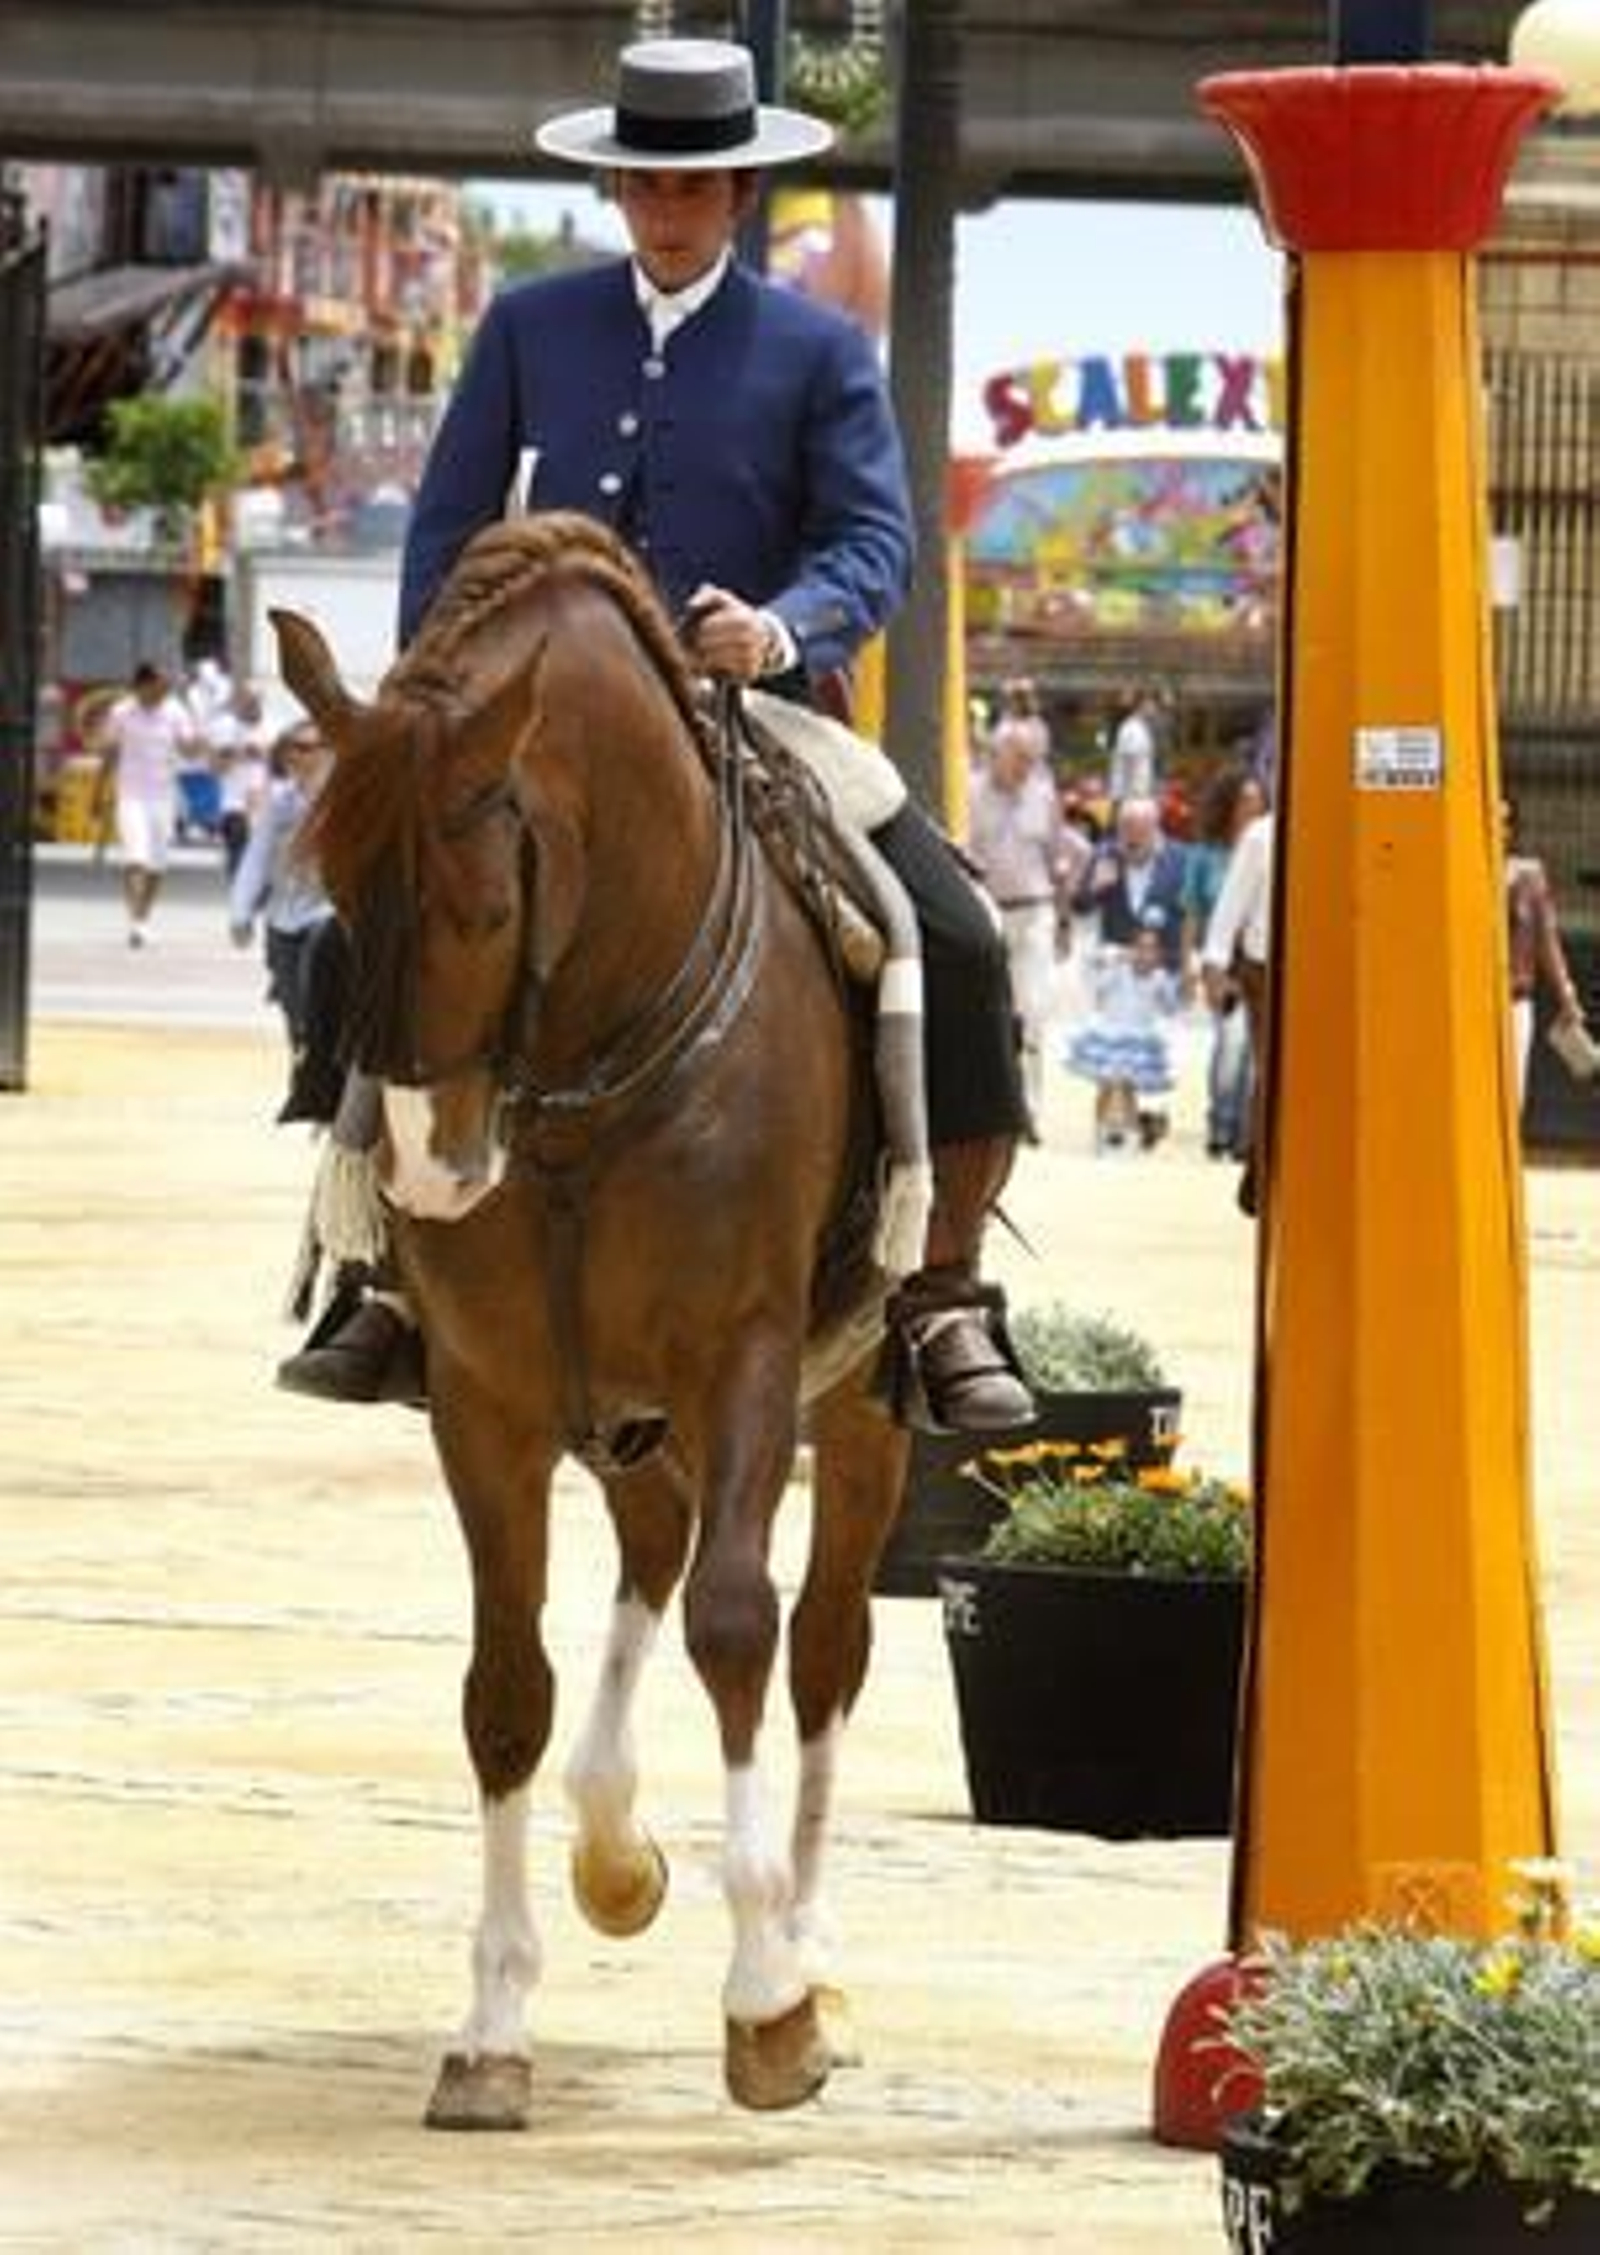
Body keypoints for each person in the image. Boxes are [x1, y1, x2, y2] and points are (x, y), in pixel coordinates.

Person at [277, 35, 1034, 1437]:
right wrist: (433, 707)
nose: (668, 208)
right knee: (362, 920)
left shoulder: (820, 349)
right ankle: (376, 1252)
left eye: (694, 186)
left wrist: (786, 622)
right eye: (646, 185)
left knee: (961, 934)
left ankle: (941, 1289)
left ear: (739, 195)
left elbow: (875, 539)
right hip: (532, 738)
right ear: (618, 190)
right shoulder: (527, 327)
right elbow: (445, 534)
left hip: (755, 714)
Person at [966, 696, 1085, 1123]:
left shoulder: (1042, 793)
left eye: (1030, 760)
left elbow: (1059, 856)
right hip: (988, 911)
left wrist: (1066, 917)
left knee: (1032, 1011)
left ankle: (1029, 1106)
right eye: (1017, 758)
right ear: (996, 755)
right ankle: (992, 1103)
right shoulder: (970, 791)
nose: (1024, 767)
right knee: (989, 1012)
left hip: (1035, 911)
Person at [228, 724, 347, 1125]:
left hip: (328, 916)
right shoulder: (279, 804)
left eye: (310, 748)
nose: (299, 757)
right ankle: (306, 1083)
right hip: (283, 917)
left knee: (322, 998)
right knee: (294, 1012)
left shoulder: (346, 800)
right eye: (292, 749)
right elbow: (257, 856)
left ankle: (329, 1086)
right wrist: (241, 911)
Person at [1182, 765, 1267, 1159]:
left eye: (1257, 799)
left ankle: (1244, 1137)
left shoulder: (1268, 841)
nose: (1252, 806)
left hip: (1254, 960)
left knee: (1254, 1053)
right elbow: (1194, 913)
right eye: (1245, 800)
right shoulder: (1206, 855)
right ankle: (1220, 1126)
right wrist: (1194, 964)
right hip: (1221, 960)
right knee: (1229, 1045)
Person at [90, 659, 197, 948]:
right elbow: (109, 756)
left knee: (157, 866)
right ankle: (136, 923)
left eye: (166, 686)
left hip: (164, 797)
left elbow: (190, 748)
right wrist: (97, 795)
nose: (164, 690)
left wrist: (195, 736)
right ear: (142, 685)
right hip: (131, 796)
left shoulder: (175, 711)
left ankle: (144, 916)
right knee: (135, 859)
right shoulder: (121, 713)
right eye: (159, 684)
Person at [1200, 807, 1274, 1216]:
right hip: (1264, 972)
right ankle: (1260, 1171)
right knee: (1270, 1073)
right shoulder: (1261, 837)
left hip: (1316, 969)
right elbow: (1229, 908)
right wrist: (1214, 966)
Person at [1504, 797, 1595, 1108]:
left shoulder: (1529, 875)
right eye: (1496, 820)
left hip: (1514, 998)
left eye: (1507, 823)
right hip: (1473, 1002)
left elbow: (1547, 941)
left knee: (1513, 1090)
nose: (1501, 830)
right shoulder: (1468, 871)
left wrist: (1566, 995)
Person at [1064, 918, 1179, 1154]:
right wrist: (1112, 958)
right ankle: (1099, 1134)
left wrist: (1178, 987)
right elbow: (1095, 983)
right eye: (1141, 948)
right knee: (1106, 1086)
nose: (1145, 955)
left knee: (1128, 1088)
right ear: (1132, 949)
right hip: (1111, 1035)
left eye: (1152, 949)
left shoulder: (1158, 979)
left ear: (1158, 954)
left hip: (1139, 1039)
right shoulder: (1118, 971)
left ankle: (1132, 1136)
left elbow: (1171, 1007)